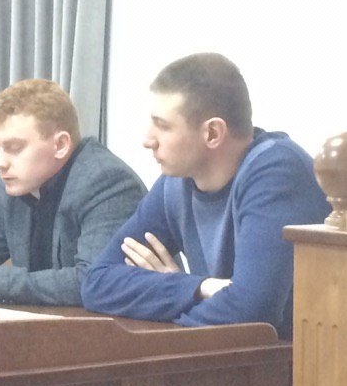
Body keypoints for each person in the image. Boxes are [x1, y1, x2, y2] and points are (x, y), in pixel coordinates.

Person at [81, 52, 330, 339]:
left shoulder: (277, 173)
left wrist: (166, 300)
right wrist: (198, 287)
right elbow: (96, 283)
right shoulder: (175, 183)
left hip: (305, 361)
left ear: (212, 133)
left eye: (163, 126)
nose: (147, 140)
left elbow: (252, 311)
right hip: (228, 353)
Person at [0, 79, 146, 304]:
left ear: (60, 145)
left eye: (14, 148)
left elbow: (91, 281)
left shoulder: (106, 182)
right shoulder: (14, 186)